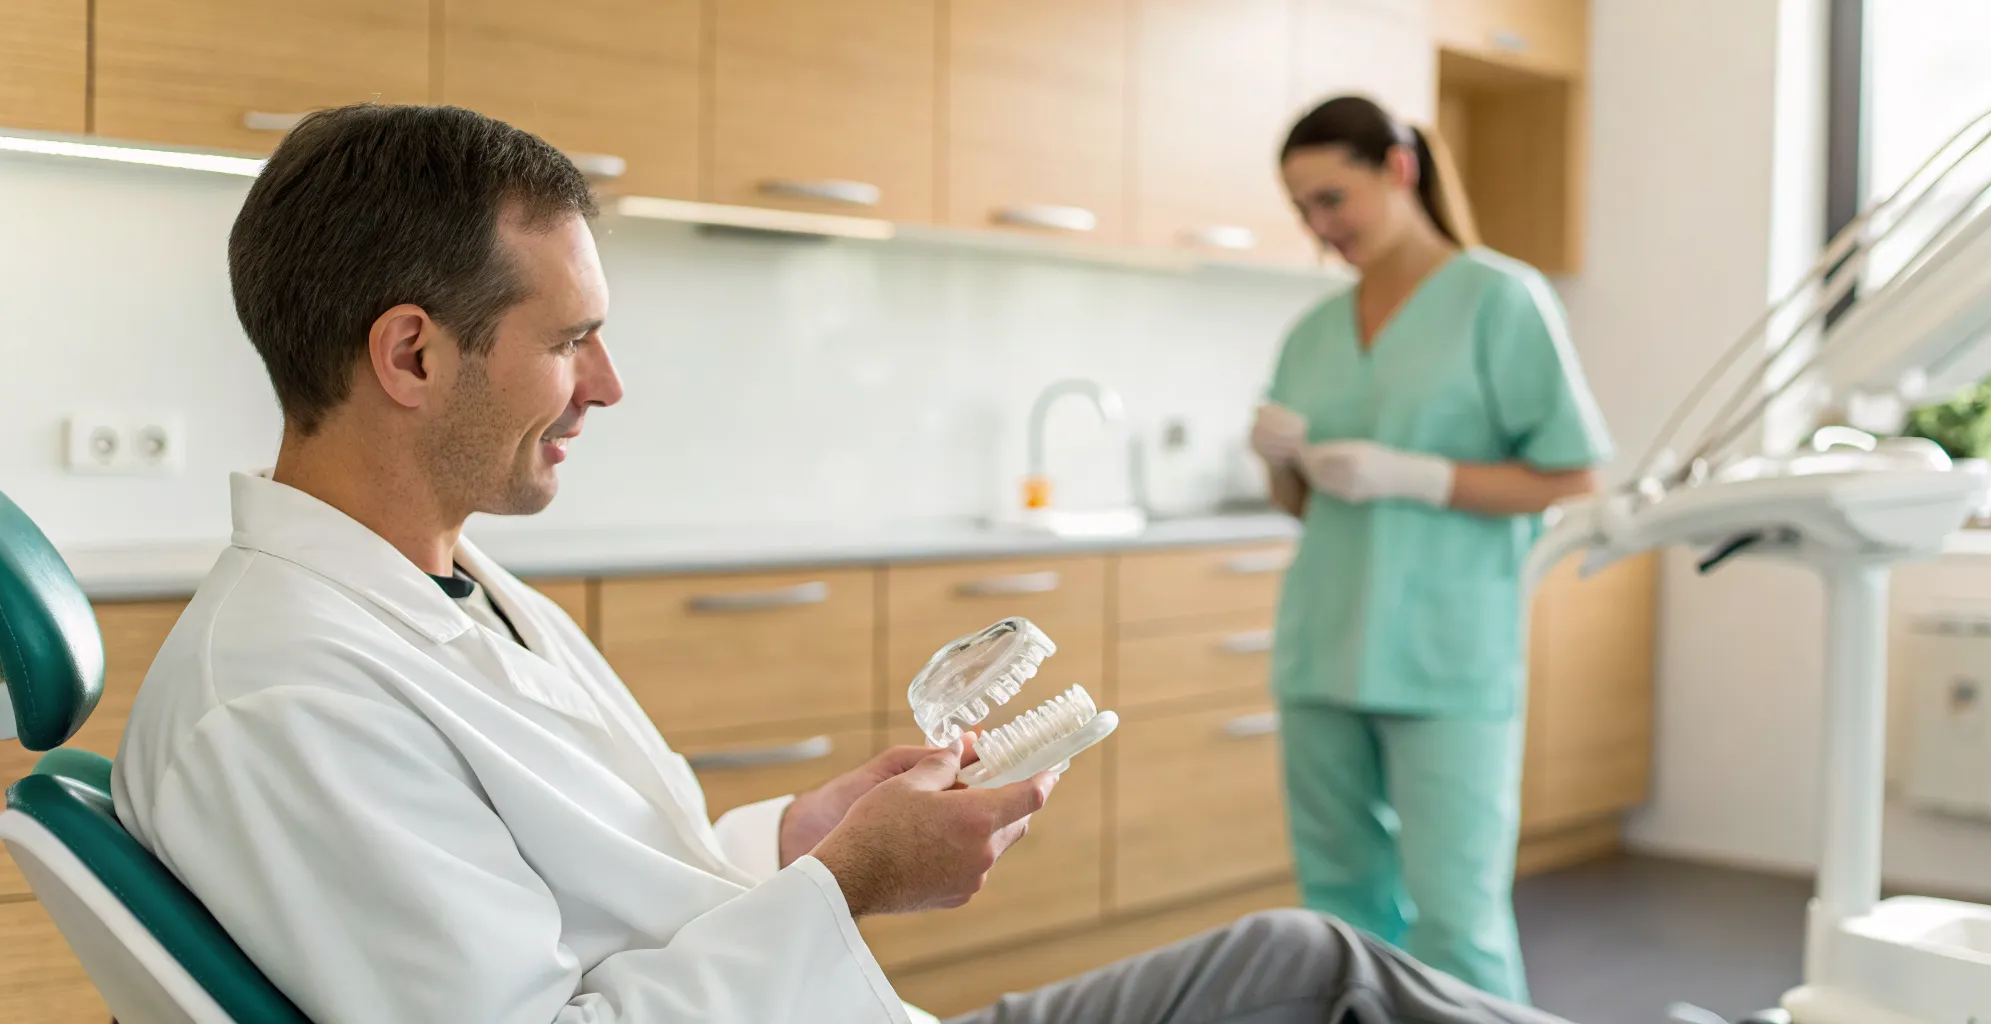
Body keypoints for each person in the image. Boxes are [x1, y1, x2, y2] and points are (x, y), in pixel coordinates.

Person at [111, 102, 1576, 1024]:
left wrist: (798, 843)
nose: (608, 386)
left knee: (1310, 961)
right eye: (569, 341)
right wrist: (850, 891)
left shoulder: (448, 592)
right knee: (1325, 979)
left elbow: (624, 893)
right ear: (413, 354)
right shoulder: (289, 701)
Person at [1249, 95, 1613, 1003]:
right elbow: (1303, 506)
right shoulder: (1313, 332)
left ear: (1398, 169)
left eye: (1333, 199)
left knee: (1459, 920)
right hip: (1323, 646)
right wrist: (1280, 462)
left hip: (1448, 652)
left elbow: (1574, 480)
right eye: (1302, 210)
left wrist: (1421, 476)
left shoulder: (1499, 298)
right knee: (1341, 911)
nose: (1320, 227)